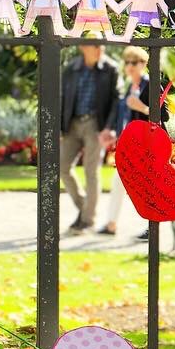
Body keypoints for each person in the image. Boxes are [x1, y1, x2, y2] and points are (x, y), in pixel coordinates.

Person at [100, 46, 168, 236]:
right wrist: (115, 134)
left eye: (134, 62)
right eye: (127, 62)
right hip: (132, 146)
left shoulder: (152, 85)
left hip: (149, 145)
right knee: (118, 182)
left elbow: (164, 117)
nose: (130, 66)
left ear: (144, 64)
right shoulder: (129, 87)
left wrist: (143, 108)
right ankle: (111, 223)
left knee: (149, 187)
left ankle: (152, 227)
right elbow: (126, 118)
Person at [60, 41, 118, 230]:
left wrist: (108, 127)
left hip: (96, 125)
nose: (100, 48)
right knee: (62, 168)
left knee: (91, 171)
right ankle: (85, 208)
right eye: (95, 45)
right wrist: (61, 127)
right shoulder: (71, 69)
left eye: (102, 45)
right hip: (73, 123)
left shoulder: (110, 69)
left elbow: (117, 101)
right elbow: (62, 98)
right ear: (83, 47)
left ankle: (87, 220)